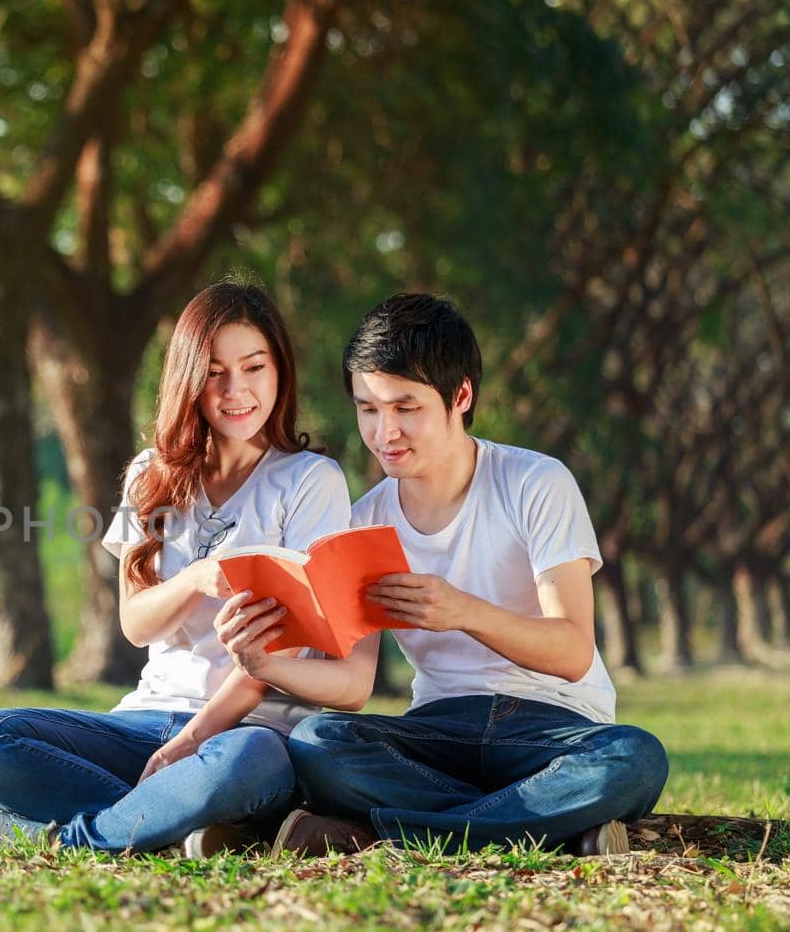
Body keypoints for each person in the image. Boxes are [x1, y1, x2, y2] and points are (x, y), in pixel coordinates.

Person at [0, 281, 378, 857]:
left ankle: (59, 837)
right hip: (145, 720)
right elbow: (137, 625)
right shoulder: (151, 474)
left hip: (248, 733)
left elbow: (279, 661)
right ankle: (174, 825)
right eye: (215, 372)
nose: (236, 390)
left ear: (280, 370)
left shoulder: (309, 480)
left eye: (253, 366)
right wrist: (197, 577)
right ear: (188, 379)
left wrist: (192, 741)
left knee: (247, 763)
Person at [272, 292, 669, 858]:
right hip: (440, 729)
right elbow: (354, 682)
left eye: (406, 407)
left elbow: (573, 650)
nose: (385, 432)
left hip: (552, 728)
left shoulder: (536, 483)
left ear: (460, 395)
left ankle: (390, 833)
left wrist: (463, 612)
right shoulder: (365, 522)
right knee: (317, 741)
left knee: (634, 759)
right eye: (368, 408)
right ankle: (534, 822)